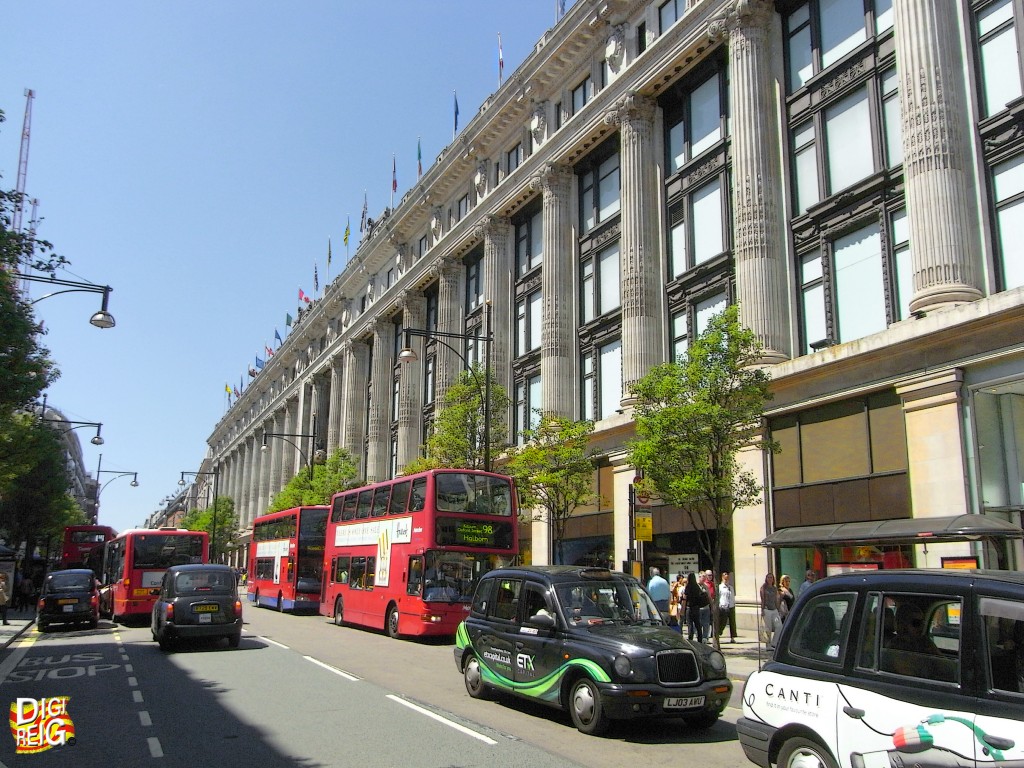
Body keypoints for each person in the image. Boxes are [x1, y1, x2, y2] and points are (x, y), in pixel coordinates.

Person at [760, 573, 781, 649]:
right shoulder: (763, 588)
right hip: (767, 609)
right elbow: (763, 600)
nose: (770, 579)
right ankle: (768, 645)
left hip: (774, 609)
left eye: (771, 577)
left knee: (779, 626)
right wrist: (762, 610)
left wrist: (778, 609)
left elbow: (776, 599)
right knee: (768, 628)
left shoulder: (774, 588)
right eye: (768, 577)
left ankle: (774, 643)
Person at [684, 572, 706, 643]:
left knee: (690, 625)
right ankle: (700, 640)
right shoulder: (696, 587)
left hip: (689, 608)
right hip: (696, 608)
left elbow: (685, 597)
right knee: (698, 625)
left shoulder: (688, 587)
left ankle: (690, 640)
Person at [718, 571, 737, 642]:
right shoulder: (720, 587)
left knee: (732, 622)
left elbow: (732, 596)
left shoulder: (731, 587)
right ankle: (719, 631)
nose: (726, 580)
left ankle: (733, 637)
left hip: (731, 606)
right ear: (722, 578)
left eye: (727, 579)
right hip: (723, 606)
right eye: (725, 579)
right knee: (723, 621)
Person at [700, 570, 715, 641]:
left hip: (708, 606)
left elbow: (711, 596)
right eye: (708, 575)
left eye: (711, 575)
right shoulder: (699, 585)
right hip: (700, 608)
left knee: (707, 623)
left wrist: (712, 607)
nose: (710, 577)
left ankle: (706, 637)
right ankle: (700, 637)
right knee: (700, 623)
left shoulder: (711, 585)